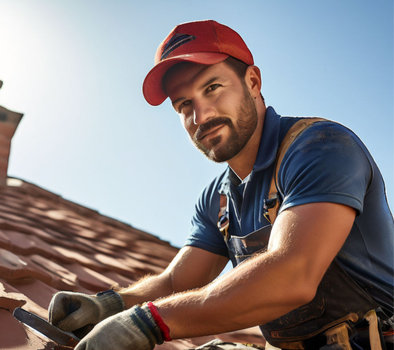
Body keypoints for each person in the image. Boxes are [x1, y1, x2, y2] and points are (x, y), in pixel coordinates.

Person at [48, 20, 393, 350]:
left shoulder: (321, 147)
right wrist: (108, 305)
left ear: (253, 82)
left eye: (211, 88)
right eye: (184, 105)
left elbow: (293, 273)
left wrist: (148, 322)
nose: (201, 116)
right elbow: (175, 283)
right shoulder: (218, 200)